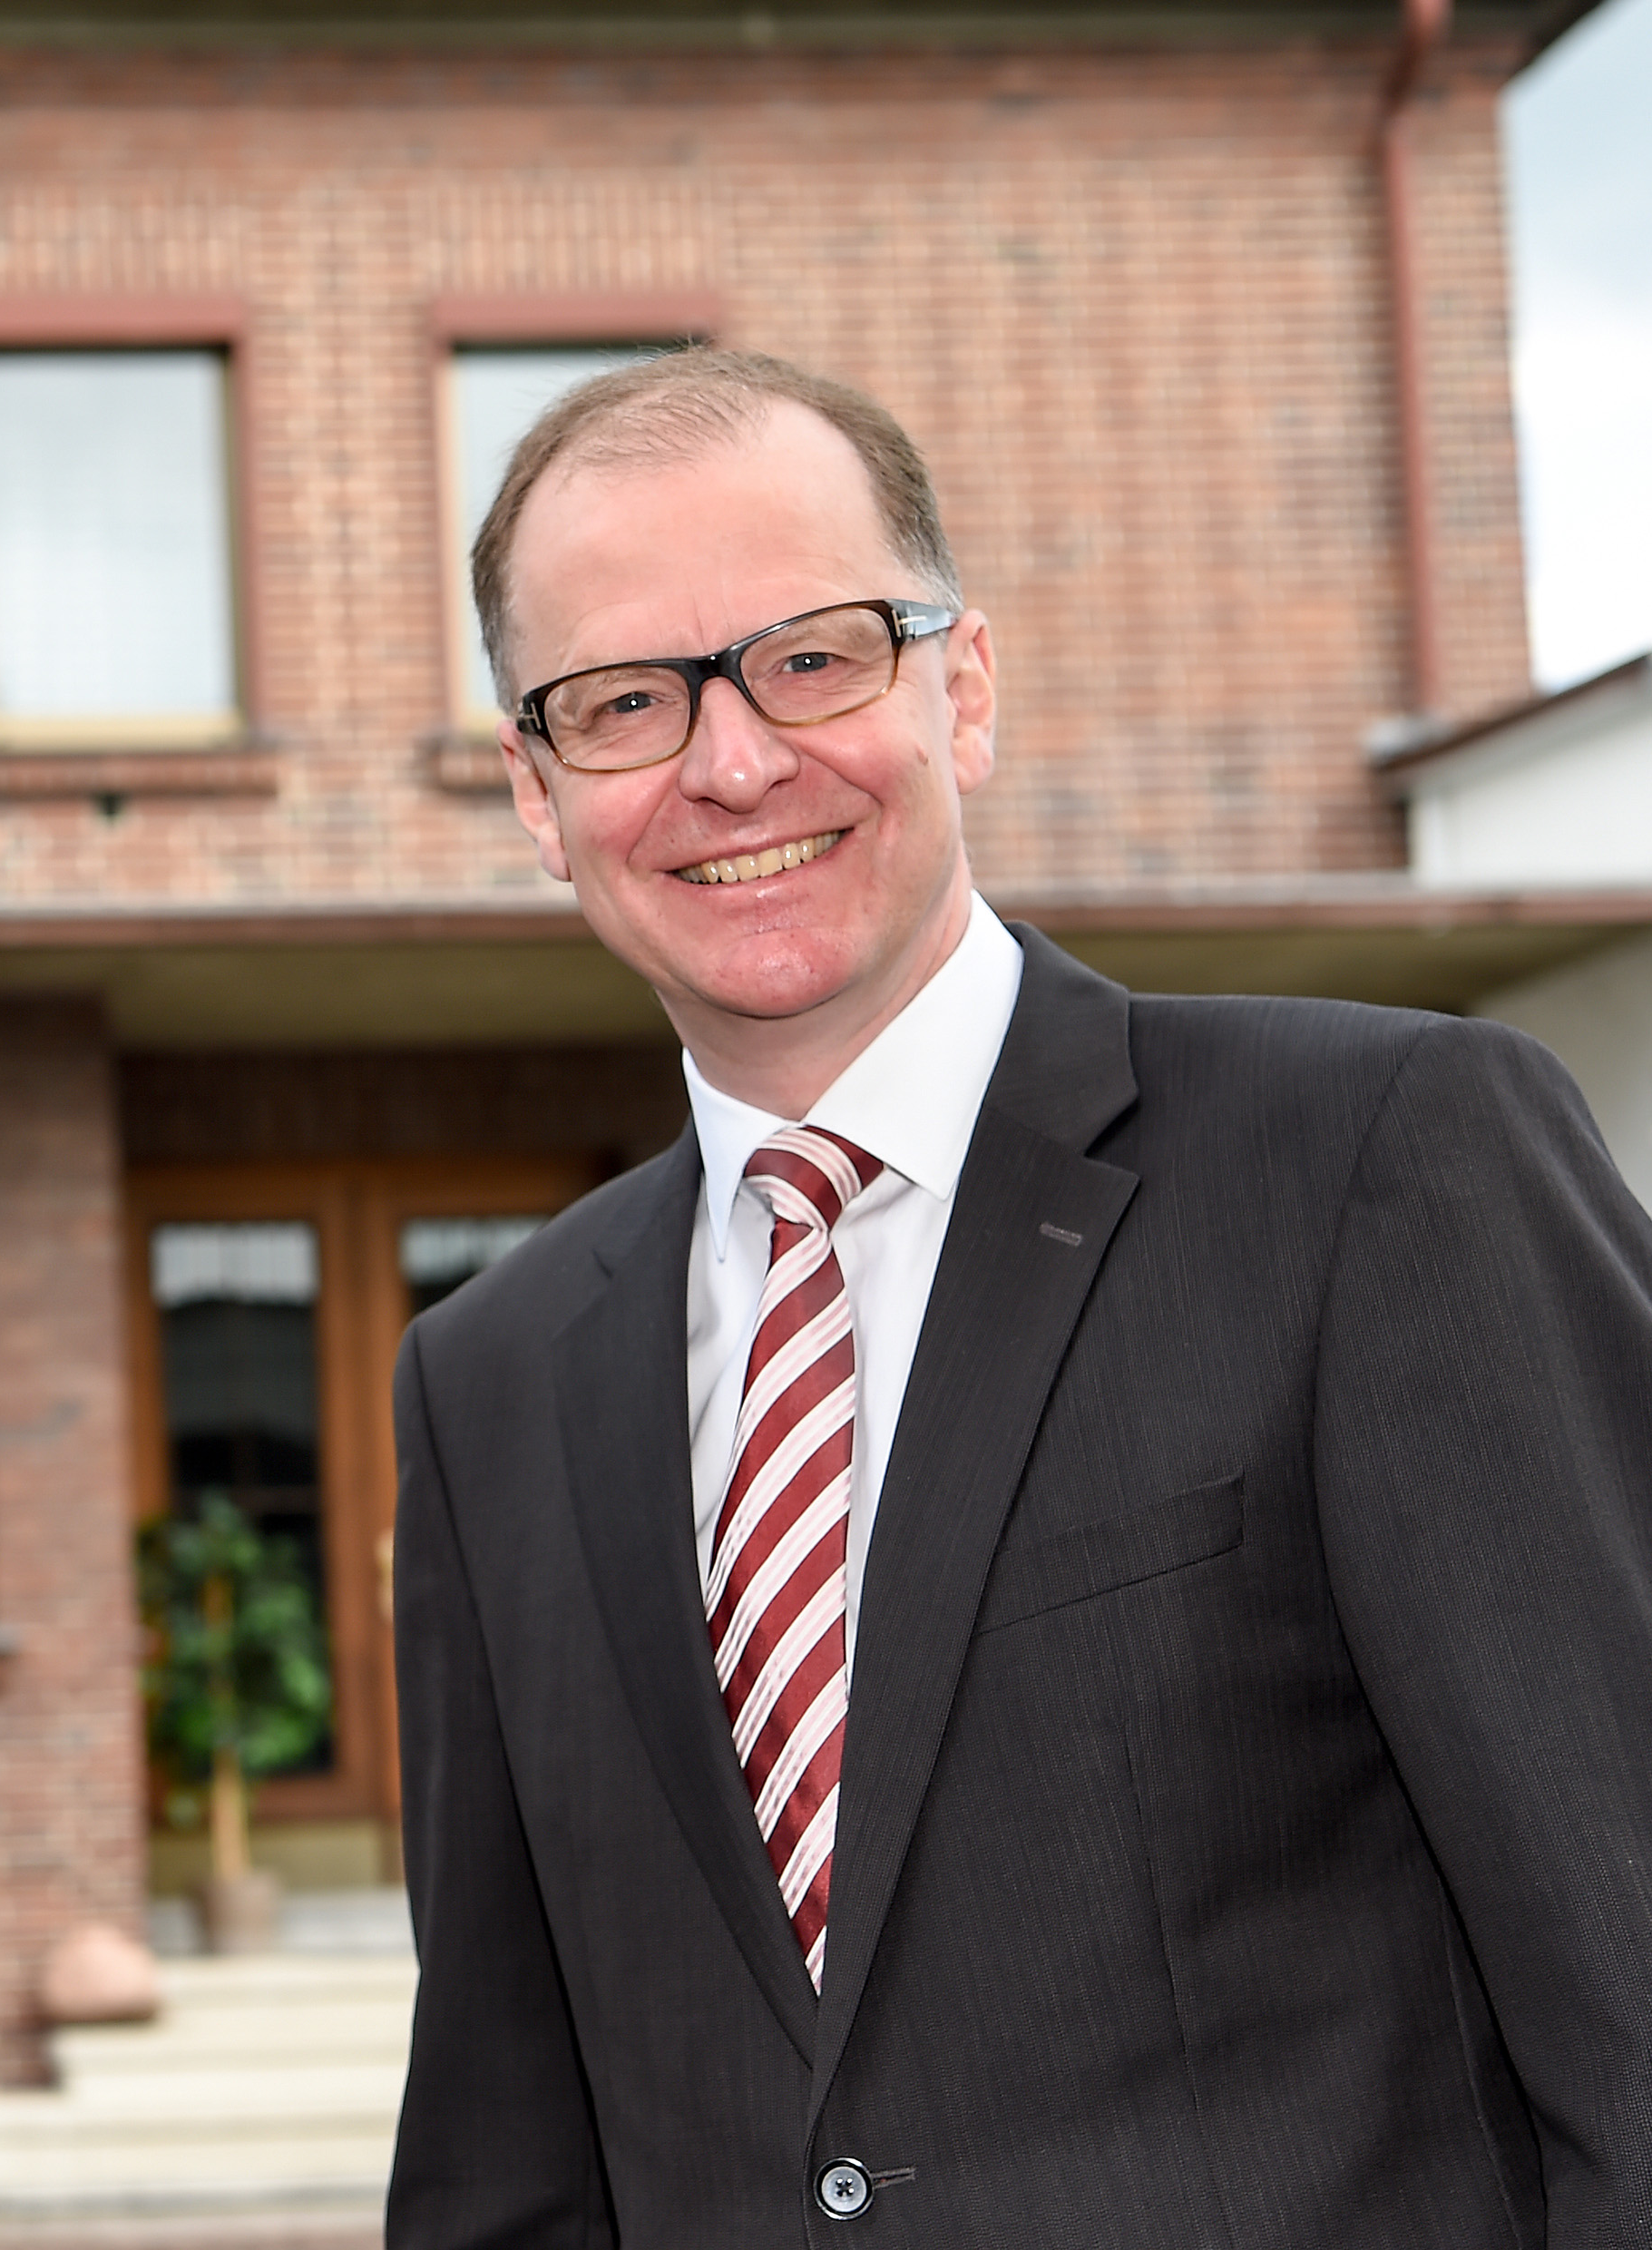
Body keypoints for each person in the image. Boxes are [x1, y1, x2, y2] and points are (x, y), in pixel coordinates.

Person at [386, 348, 1652, 2245]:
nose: (731, 762)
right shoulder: (483, 1387)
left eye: (809, 657)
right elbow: (504, 2161)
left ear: (956, 688)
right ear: (536, 792)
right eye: (624, 701)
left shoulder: (1379, 1165)